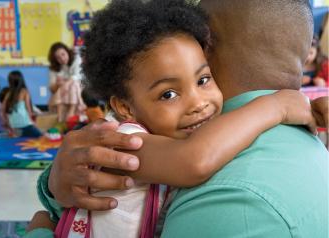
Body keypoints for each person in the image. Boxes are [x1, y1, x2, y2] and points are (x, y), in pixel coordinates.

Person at [26, 0, 328, 237]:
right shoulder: (123, 142)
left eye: (203, 79)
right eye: (168, 94)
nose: (198, 104)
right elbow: (193, 160)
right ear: (125, 107)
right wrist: (277, 107)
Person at [47, 42, 85, 123]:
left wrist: (66, 83)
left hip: (78, 89)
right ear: (55, 60)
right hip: (63, 92)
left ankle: (71, 111)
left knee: (73, 84)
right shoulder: (55, 68)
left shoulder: (76, 59)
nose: (62, 59)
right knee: (67, 85)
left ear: (67, 52)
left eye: (63, 54)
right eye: (58, 58)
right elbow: (52, 87)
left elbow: (77, 76)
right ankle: (62, 117)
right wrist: (58, 84)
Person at [1, 71, 42, 138]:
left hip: (13, 125)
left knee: (21, 136)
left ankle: (17, 134)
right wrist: (32, 122)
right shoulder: (24, 91)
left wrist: (7, 122)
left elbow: (2, 109)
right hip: (25, 124)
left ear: (10, 82)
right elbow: (28, 108)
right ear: (21, 80)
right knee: (40, 136)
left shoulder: (8, 94)